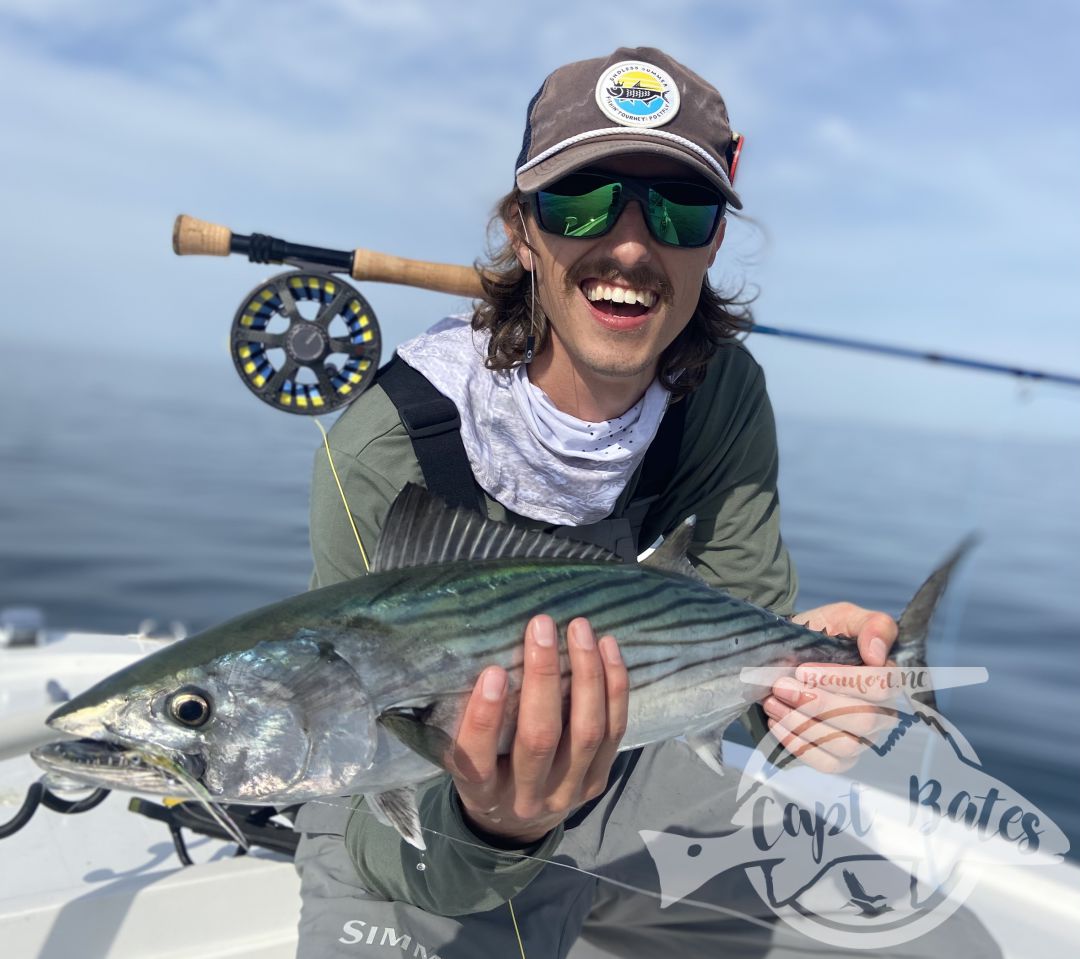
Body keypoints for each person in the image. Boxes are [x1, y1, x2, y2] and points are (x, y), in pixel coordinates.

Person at [292, 47, 998, 959]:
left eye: (679, 208)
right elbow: (362, 787)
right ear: (523, 230)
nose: (630, 244)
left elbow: (729, 643)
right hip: (414, 808)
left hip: (639, 761)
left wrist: (800, 702)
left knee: (948, 945)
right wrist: (494, 825)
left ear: (710, 243)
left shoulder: (721, 395)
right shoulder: (390, 437)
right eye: (582, 201)